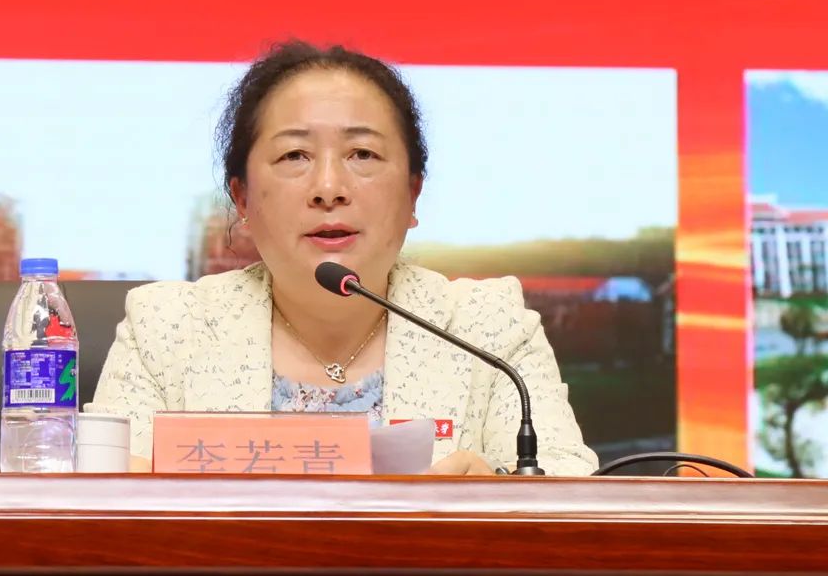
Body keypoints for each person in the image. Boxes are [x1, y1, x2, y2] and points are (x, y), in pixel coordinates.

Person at [86, 41, 598, 475]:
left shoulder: (486, 328)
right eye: (294, 156)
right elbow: (92, 501)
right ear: (242, 199)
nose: (329, 187)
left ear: (413, 195)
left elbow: (572, 494)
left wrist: (496, 496)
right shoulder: (167, 328)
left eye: (362, 155)